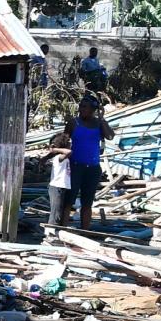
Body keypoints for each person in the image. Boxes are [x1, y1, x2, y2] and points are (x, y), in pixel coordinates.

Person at [58, 94, 113, 231]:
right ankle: (63, 230)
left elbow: (110, 136)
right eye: (80, 106)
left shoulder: (99, 124)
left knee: (87, 203)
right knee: (68, 201)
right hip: (75, 166)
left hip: (93, 169)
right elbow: (63, 141)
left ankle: (85, 231)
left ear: (93, 109)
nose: (81, 109)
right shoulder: (73, 123)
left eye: (84, 107)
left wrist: (102, 118)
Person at [45, 140, 73, 227]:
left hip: (62, 187)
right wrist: (56, 149)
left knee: (59, 211)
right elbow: (69, 152)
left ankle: (56, 230)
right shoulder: (58, 158)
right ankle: (51, 232)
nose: (70, 145)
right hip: (56, 187)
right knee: (55, 213)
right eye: (68, 144)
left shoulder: (64, 158)